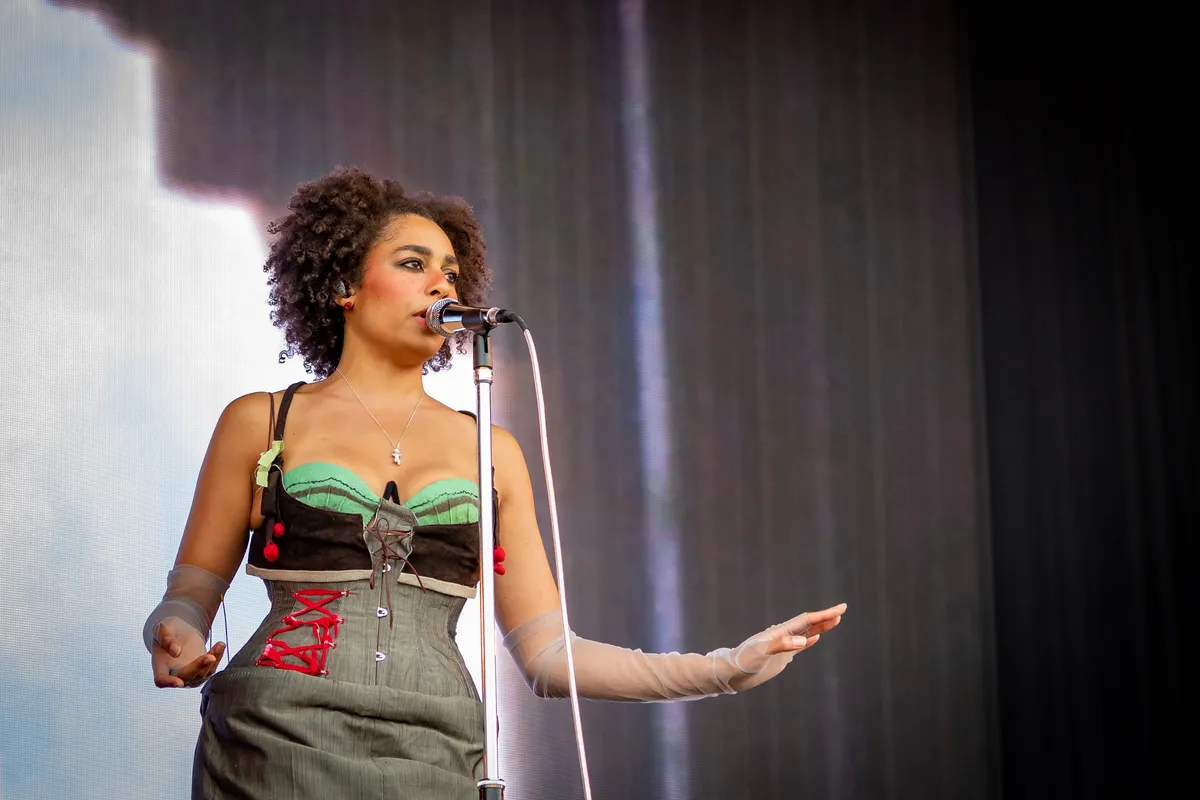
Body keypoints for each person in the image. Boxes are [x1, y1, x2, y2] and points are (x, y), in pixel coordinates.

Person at [143, 166, 847, 799]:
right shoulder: (262, 421)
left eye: (451, 273)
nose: (441, 286)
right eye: (413, 264)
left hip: (440, 753)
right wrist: (175, 632)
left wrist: (726, 668)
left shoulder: (491, 450)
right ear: (342, 287)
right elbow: (189, 595)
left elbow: (549, 656)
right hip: (276, 744)